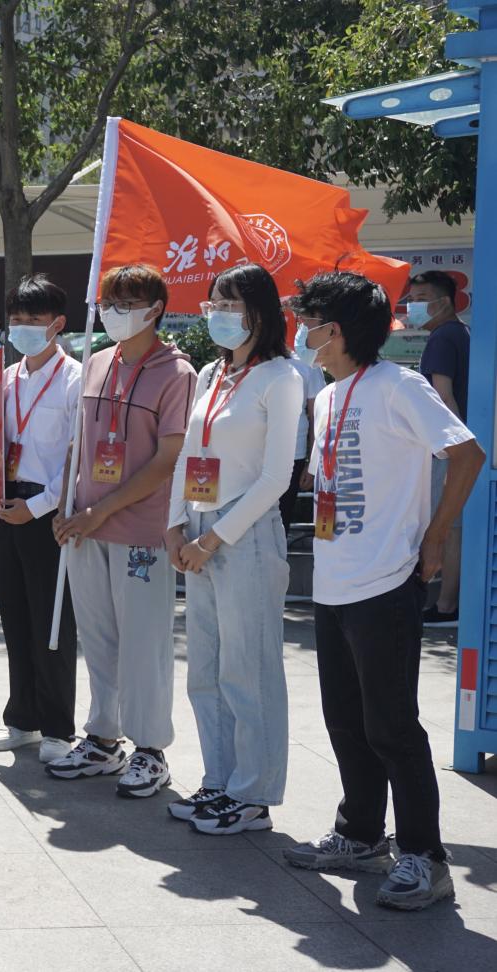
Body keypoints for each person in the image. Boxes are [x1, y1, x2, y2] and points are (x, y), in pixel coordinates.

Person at [283, 270, 482, 911]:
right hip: (335, 584)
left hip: (386, 583)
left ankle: (425, 856)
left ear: (334, 329)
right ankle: (360, 836)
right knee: (346, 722)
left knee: (392, 727)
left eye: (310, 320)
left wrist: (433, 537)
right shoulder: (328, 395)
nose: (303, 331)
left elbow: (467, 453)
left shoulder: (401, 385)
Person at [164, 264, 302, 834]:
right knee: (208, 669)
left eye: (230, 304)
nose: (219, 314)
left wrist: (213, 537)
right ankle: (218, 781)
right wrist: (175, 527)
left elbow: (275, 477)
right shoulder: (210, 374)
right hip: (197, 529)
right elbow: (187, 454)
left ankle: (253, 795)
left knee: (251, 669)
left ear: (259, 313)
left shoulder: (282, 378)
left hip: (242, 532)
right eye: (213, 304)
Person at [49, 263, 195, 798]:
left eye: (126, 303)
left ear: (155, 309)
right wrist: (69, 504)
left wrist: (101, 509)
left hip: (139, 529)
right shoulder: (95, 362)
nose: (113, 313)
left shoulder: (176, 373)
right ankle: (103, 738)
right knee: (100, 639)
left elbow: (168, 459)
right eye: (109, 303)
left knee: (144, 642)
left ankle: (151, 750)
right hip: (86, 526)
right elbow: (78, 443)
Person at [0, 275, 82, 766]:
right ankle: (23, 720)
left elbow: (78, 463)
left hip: (48, 514)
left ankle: (59, 728)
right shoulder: (1, 376)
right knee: (15, 623)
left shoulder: (78, 379)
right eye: (15, 319)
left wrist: (38, 508)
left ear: (57, 325)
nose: (21, 328)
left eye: (32, 321)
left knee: (52, 624)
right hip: (2, 508)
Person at [407, 270, 470, 627]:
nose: (413, 307)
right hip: (460, 448)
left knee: (449, 528)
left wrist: (452, 449)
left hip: (448, 451)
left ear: (443, 302)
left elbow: (443, 398)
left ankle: (446, 605)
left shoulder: (441, 340)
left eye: (420, 300)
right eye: (410, 300)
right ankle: (449, 602)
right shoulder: (460, 333)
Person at [278, 356, 325, 533]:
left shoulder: (308, 363)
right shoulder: (254, 357)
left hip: (292, 456)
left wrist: (311, 464)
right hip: (253, 454)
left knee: (281, 521)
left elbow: (317, 416)